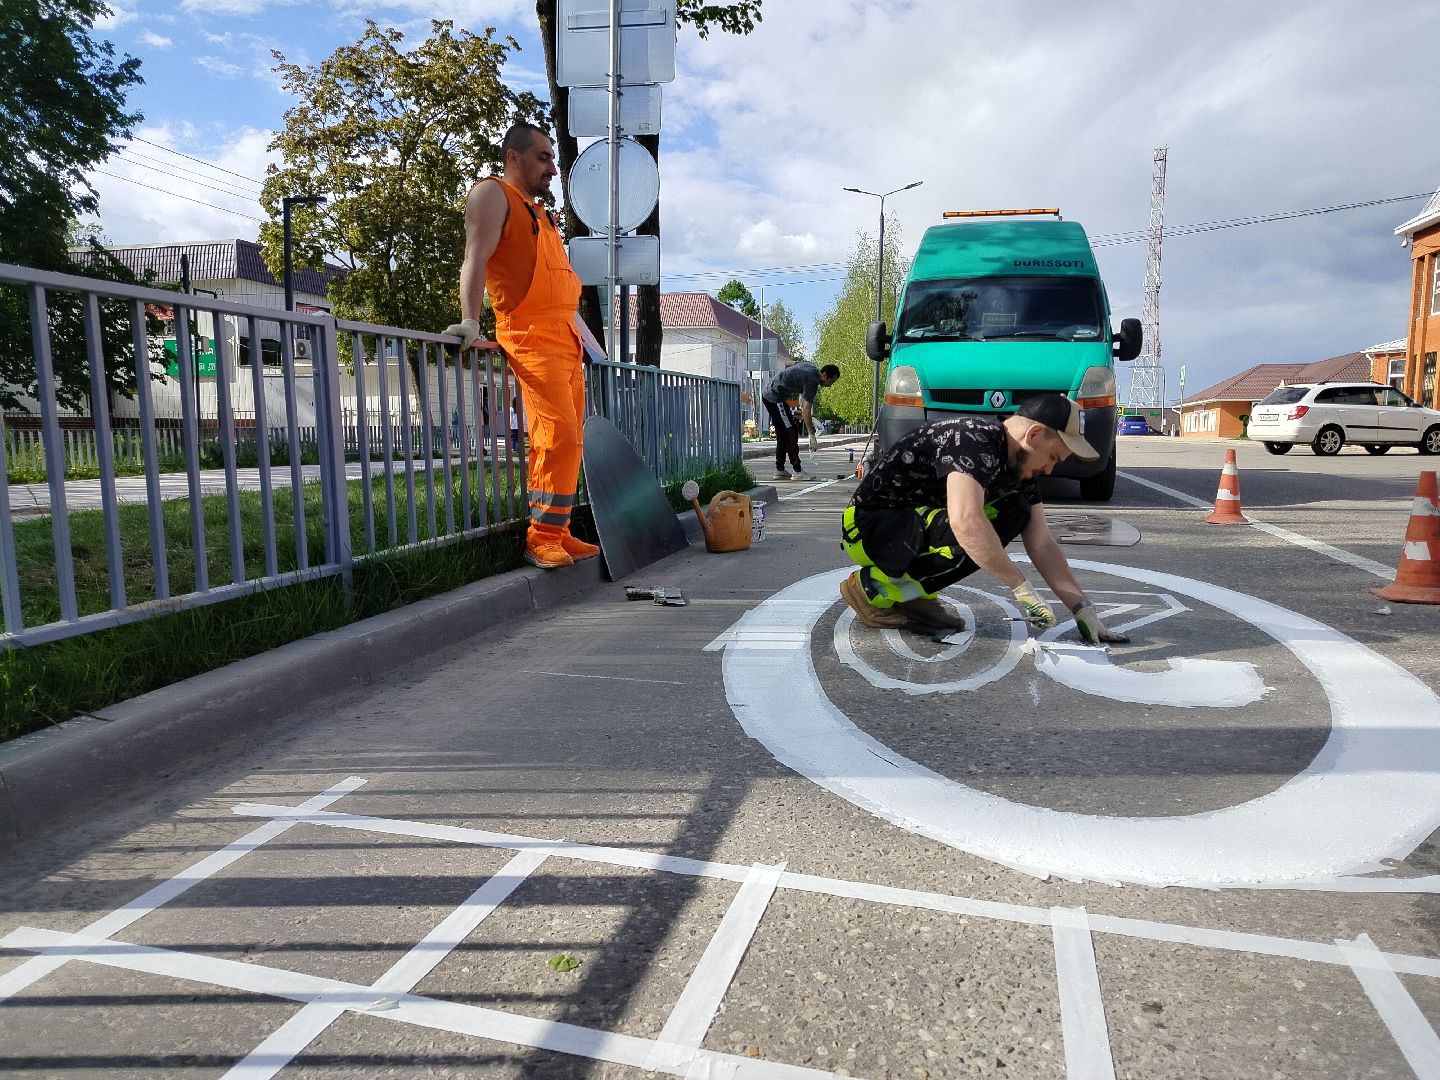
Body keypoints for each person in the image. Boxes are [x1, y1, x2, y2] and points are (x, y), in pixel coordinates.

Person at [838, 394, 1130, 643]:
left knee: (1014, 510)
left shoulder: (1019, 465)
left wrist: (1081, 608)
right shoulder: (972, 440)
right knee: (972, 533)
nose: (1050, 470)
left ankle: (913, 597)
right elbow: (965, 521)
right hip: (870, 527)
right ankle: (871, 588)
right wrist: (1021, 587)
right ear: (1034, 435)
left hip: (908, 526)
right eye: (1053, 457)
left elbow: (1041, 542)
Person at [444, 121, 599, 570]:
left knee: (569, 441)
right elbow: (474, 258)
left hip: (564, 338)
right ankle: (542, 537)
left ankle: (559, 531)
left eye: (552, 158)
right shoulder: (492, 194)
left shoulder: (537, 210)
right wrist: (470, 321)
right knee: (558, 436)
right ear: (514, 157)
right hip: (530, 334)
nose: (552, 167)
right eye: (543, 157)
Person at [761, 360, 840, 481]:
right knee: (791, 432)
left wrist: (786, 378)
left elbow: (789, 363)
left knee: (782, 433)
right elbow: (806, 409)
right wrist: (812, 435)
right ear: (824, 375)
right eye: (831, 382)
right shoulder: (812, 381)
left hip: (771, 393)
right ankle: (797, 470)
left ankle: (780, 469)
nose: (830, 386)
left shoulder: (810, 365)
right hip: (774, 396)